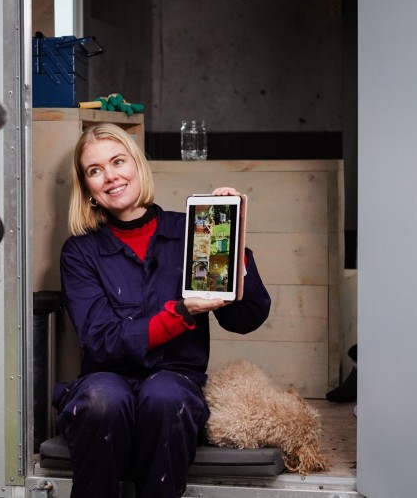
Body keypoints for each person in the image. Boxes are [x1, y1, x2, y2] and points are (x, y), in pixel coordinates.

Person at [53, 123, 271, 498]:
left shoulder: (193, 231)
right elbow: (101, 340)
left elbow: (245, 320)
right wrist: (181, 314)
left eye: (118, 161)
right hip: (106, 376)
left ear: (137, 166)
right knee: (104, 398)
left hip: (175, 378)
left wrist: (232, 246)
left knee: (165, 396)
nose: (110, 176)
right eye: (95, 170)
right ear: (87, 188)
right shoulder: (80, 252)